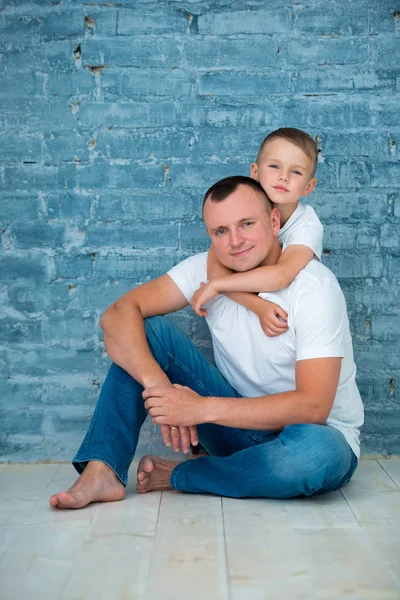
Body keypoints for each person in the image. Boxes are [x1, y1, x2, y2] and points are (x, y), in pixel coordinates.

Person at [49, 176, 363, 509]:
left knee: (316, 454)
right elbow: (116, 314)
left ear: (274, 221)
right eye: (221, 231)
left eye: (246, 224)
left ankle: (184, 475)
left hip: (313, 436)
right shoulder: (205, 269)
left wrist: (198, 409)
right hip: (236, 432)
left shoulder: (313, 286)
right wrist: (161, 389)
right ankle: (102, 470)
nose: (236, 241)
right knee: (146, 331)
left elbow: (313, 407)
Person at [191, 127, 322, 339]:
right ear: (255, 172)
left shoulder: (307, 225)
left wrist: (217, 286)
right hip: (258, 312)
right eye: (274, 166)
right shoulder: (243, 207)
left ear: (309, 187)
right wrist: (257, 306)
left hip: (295, 313)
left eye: (295, 171)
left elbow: (281, 275)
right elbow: (217, 271)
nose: (283, 177)